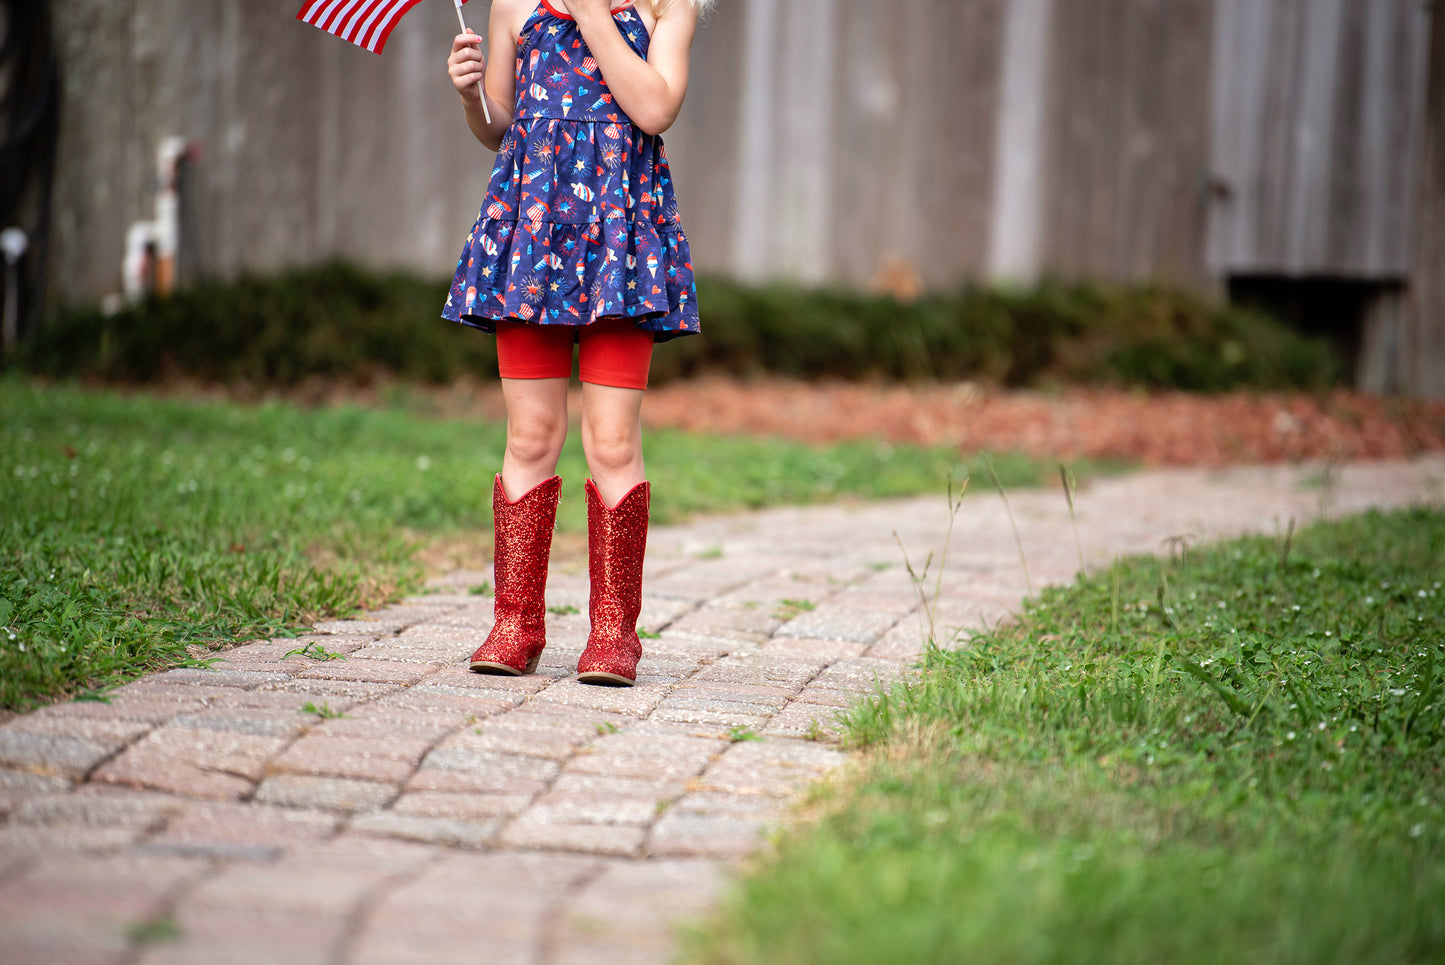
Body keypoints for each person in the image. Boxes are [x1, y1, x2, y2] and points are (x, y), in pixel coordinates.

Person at [443, 0, 707, 686]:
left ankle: (614, 632)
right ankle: (515, 621)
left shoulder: (664, 6)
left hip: (620, 244)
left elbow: (654, 109)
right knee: (530, 434)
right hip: (533, 237)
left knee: (613, 442)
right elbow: (499, 128)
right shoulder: (513, 5)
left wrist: (590, 11)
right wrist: (473, 96)